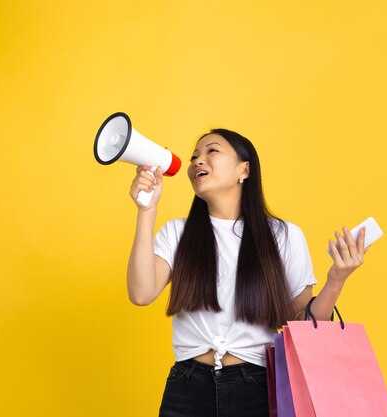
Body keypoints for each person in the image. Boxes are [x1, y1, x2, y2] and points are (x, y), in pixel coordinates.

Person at [126, 128, 368, 417]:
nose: (197, 162)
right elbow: (141, 293)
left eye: (211, 151)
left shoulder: (283, 236)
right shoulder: (177, 233)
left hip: (256, 389)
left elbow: (301, 324)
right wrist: (146, 211)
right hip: (187, 387)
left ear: (245, 169)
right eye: (194, 157)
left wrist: (336, 280)